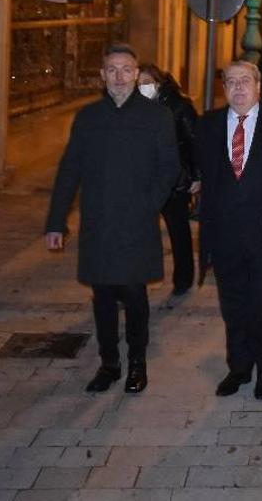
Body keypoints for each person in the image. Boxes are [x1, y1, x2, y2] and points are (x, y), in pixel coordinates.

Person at [45, 44, 178, 394]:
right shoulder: (88, 118)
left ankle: (137, 363)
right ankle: (109, 364)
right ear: (102, 76)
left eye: (126, 69)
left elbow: (169, 170)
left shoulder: (157, 117)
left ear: (137, 74)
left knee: (135, 297)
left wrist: (147, 206)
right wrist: (55, 221)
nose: (119, 76)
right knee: (102, 297)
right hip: (99, 225)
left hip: (136, 224)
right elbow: (69, 170)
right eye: (112, 70)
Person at [194, 61, 262, 400]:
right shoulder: (209, 124)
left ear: (259, 85)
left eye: (245, 81)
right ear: (223, 87)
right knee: (233, 303)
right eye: (231, 82)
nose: (238, 88)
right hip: (225, 232)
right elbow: (205, 173)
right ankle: (239, 366)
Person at [137, 64, 199, 297]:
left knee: (178, 231)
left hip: (175, 179)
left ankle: (183, 278)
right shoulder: (133, 107)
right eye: (139, 83)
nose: (142, 87)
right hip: (143, 181)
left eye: (146, 82)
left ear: (159, 81)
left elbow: (195, 142)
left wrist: (197, 176)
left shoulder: (179, 106)